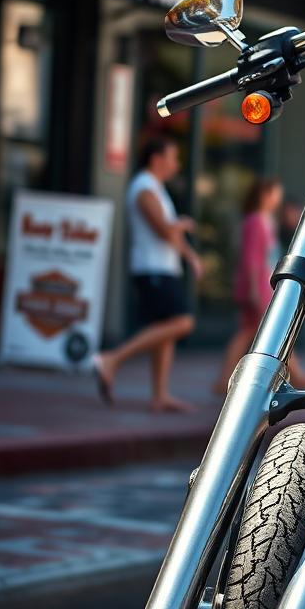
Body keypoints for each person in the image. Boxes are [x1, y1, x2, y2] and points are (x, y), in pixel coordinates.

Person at [93, 136, 202, 412]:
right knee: (183, 323)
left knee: (165, 332)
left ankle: (160, 395)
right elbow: (164, 229)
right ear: (156, 159)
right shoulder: (143, 187)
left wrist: (190, 257)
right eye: (173, 157)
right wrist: (183, 224)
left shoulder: (155, 187)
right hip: (152, 269)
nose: (176, 164)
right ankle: (113, 359)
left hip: (162, 268)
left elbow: (169, 233)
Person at [213, 179, 305, 394]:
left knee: (249, 332)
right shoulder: (256, 221)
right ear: (265, 195)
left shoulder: (265, 220)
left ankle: (223, 381)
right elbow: (251, 259)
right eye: (275, 194)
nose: (278, 199)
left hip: (262, 286)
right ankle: (296, 374)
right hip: (258, 287)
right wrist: (252, 289)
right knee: (272, 330)